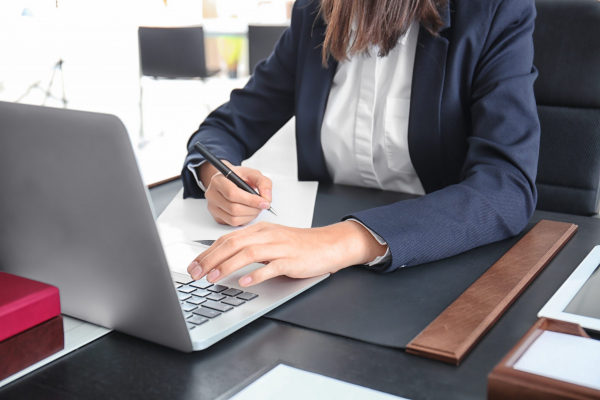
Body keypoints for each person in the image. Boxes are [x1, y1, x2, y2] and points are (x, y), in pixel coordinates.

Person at [181, 0, 540, 288]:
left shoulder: (494, 10)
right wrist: (218, 175)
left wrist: (339, 242)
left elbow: (506, 187)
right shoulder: (314, 12)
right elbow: (224, 128)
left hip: (432, 264)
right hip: (312, 270)